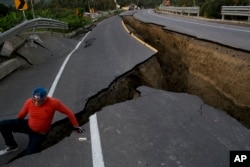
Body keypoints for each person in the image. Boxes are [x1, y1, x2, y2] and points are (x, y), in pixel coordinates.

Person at [0, 87, 84, 156]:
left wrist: (76, 125)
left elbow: (69, 112)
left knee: (30, 154)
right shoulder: (29, 102)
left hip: (39, 133)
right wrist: (15, 125)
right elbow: (21, 115)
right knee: (3, 124)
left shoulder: (54, 103)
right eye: (34, 100)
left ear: (45, 98)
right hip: (28, 125)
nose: (36, 103)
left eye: (40, 101)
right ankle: (12, 145)